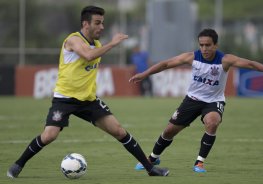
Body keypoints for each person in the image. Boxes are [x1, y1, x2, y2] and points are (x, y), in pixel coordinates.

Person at [7, 6, 169, 178]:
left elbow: (92, 53)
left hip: (88, 100)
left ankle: (150, 169)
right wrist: (113, 43)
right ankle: (18, 164)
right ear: (85, 24)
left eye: (103, 23)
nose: (102, 27)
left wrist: (107, 45)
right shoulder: (73, 40)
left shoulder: (97, 44)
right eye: (98, 23)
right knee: (49, 136)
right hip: (65, 99)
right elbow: (88, 55)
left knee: (119, 131)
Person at [129, 28, 263, 173]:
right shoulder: (191, 57)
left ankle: (199, 162)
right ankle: (153, 158)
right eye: (201, 45)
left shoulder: (225, 60)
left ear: (215, 45)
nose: (204, 48)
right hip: (192, 99)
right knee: (169, 131)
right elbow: (166, 64)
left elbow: (249, 63)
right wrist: (145, 74)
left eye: (208, 45)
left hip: (214, 101)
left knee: (212, 122)